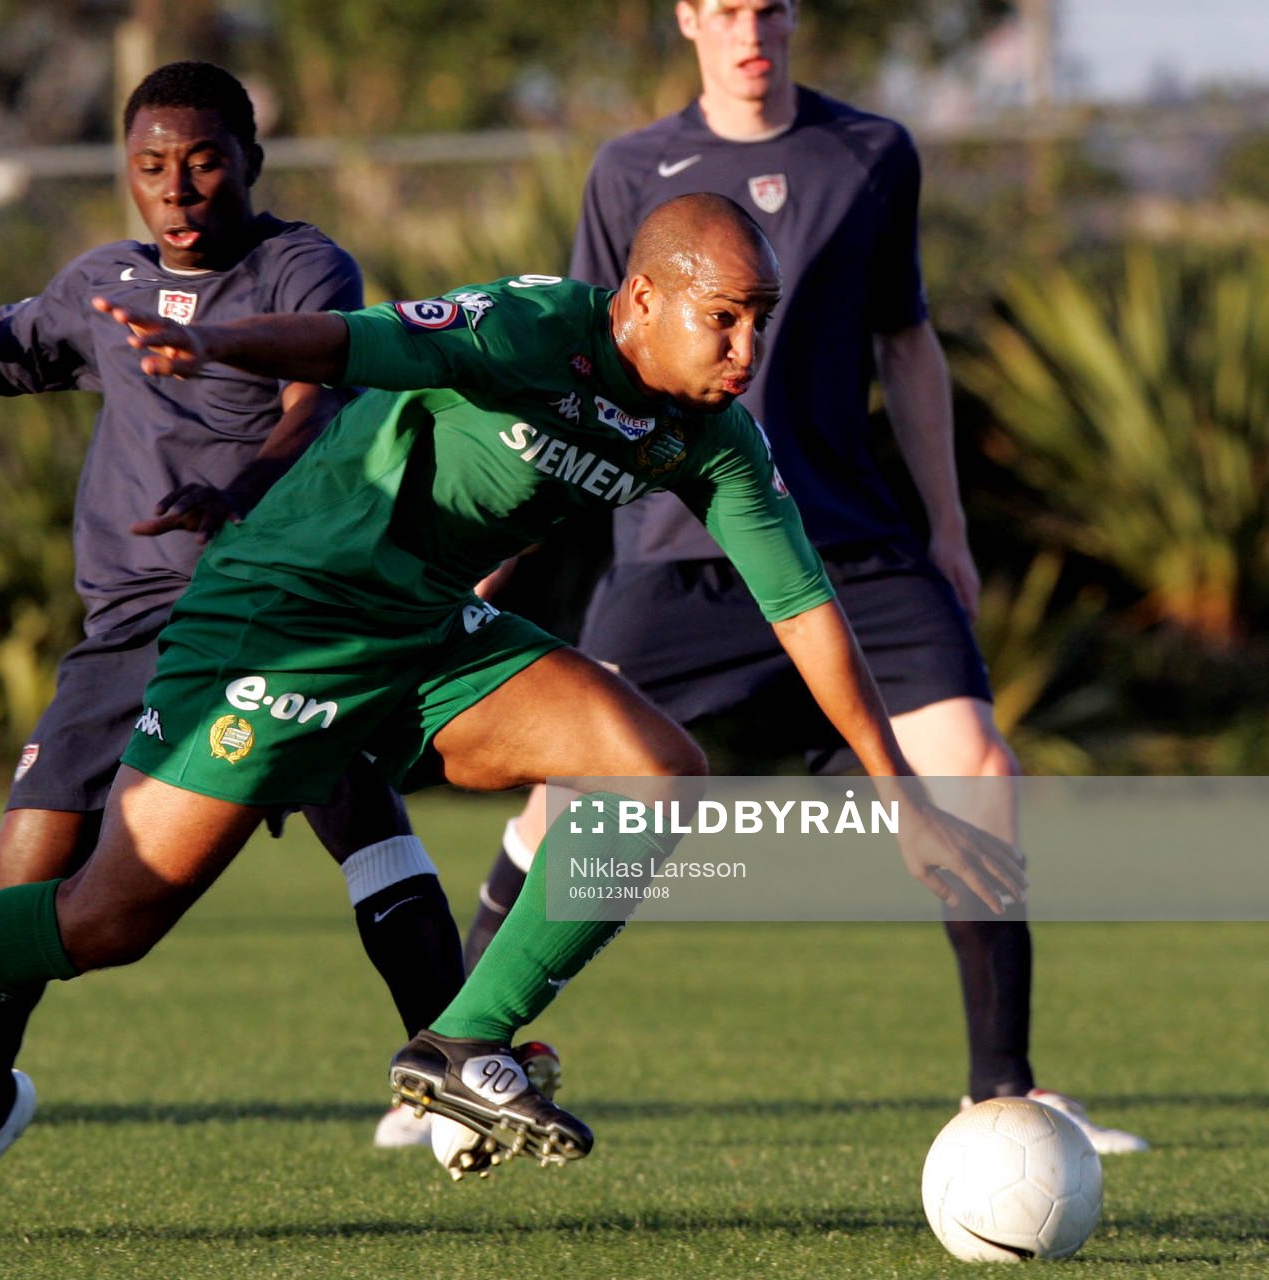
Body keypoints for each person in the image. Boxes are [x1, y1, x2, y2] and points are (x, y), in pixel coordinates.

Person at [0, 192, 1026, 1196]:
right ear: (643, 299)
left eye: (762, 320)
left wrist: (902, 795)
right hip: (282, 614)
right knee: (107, 919)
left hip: (424, 629)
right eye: (726, 319)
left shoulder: (713, 436)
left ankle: (460, 1040)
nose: (748, 350)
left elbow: (806, 611)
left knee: (656, 770)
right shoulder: (533, 328)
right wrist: (213, 343)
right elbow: (353, 342)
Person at [0, 62, 472, 1237]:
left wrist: (236, 495)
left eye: (204, 161)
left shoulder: (303, 268)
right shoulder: (103, 282)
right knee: (18, 898)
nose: (177, 188)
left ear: (250, 161)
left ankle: (451, 1063)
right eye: (151, 166)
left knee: (364, 815)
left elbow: (316, 401)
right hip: (127, 630)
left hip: (270, 610)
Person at [460, 0, 1145, 1155]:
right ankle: (452, 1055)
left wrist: (947, 527)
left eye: (769, 6)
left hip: (853, 547)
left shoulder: (872, 152)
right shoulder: (629, 168)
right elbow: (579, 364)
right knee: (566, 802)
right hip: (675, 551)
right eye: (725, 7)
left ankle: (1004, 1092)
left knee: (977, 771)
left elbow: (907, 343)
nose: (750, 29)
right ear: (688, 18)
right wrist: (502, 547)